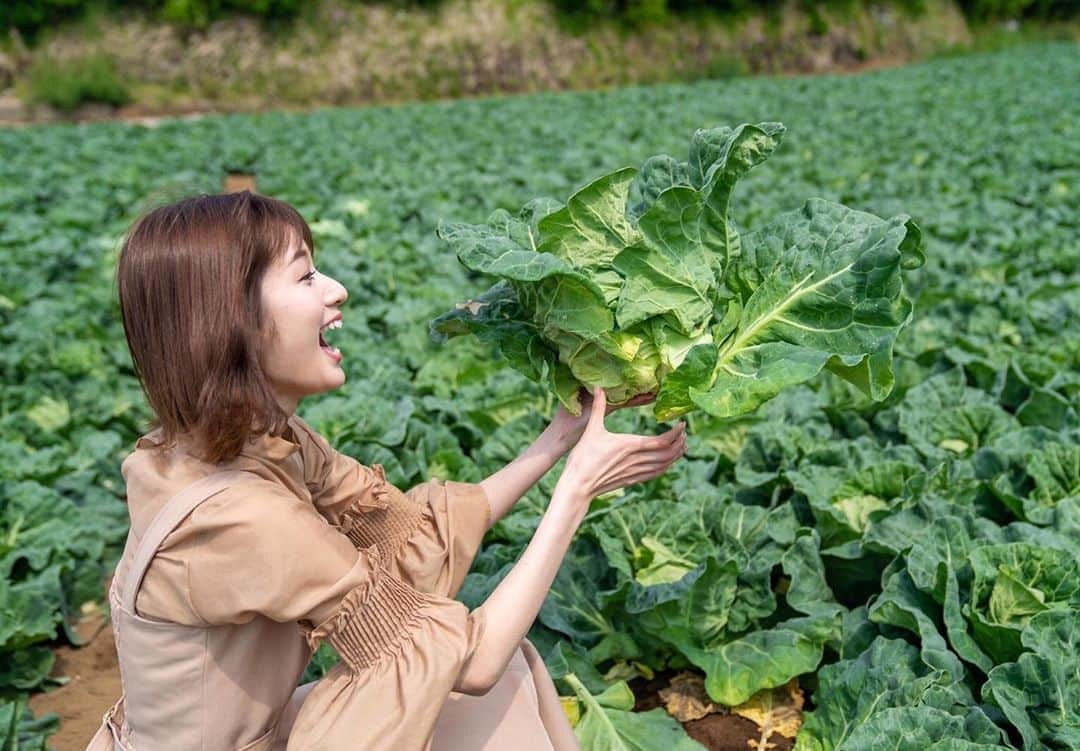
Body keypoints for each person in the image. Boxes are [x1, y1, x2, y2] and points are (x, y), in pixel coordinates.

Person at [88, 191, 687, 751]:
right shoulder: (239, 516)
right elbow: (470, 662)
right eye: (306, 276)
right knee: (488, 684)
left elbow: (411, 534)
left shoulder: (256, 443)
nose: (338, 290)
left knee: (511, 669)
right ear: (232, 321)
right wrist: (576, 490)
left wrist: (561, 436)